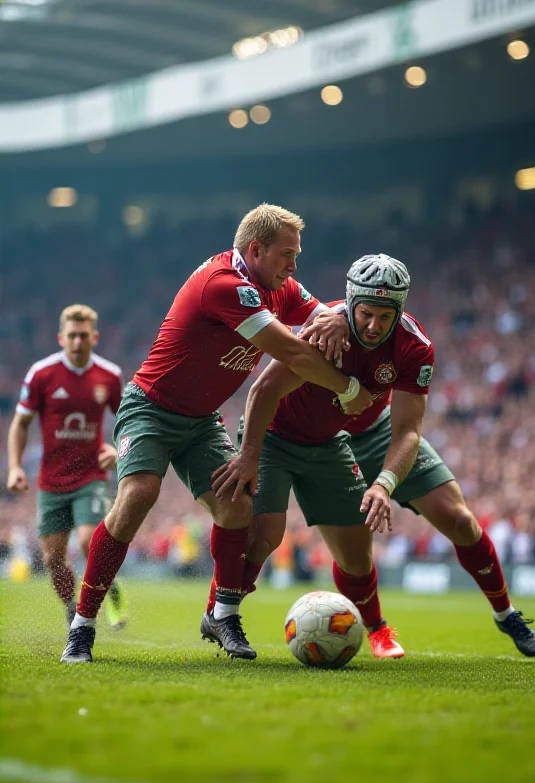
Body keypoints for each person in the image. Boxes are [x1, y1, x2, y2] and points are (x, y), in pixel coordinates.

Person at [60, 203, 373, 664]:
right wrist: (349, 389)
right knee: (139, 495)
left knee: (236, 503)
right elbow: (292, 351)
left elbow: (319, 312)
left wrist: (337, 313)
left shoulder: (277, 285)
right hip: (151, 408)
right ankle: (82, 627)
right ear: (256, 249)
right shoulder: (226, 286)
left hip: (201, 420)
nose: (294, 266)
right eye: (288, 254)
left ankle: (223, 615)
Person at [214, 254, 535, 659]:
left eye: (384, 317)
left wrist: (384, 483)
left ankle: (505, 613)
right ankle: (225, 612)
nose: (373, 326)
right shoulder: (324, 329)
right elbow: (264, 389)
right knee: (272, 538)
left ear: (400, 311)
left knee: (457, 520)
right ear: (351, 303)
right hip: (301, 438)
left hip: (374, 433)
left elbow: (407, 430)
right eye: (366, 314)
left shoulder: (414, 347)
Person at [6, 304, 127, 630]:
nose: (77, 342)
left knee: (90, 541)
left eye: (83, 336)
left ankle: (110, 592)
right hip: (51, 481)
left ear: (95, 337)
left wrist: (118, 449)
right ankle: (71, 607)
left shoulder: (109, 375)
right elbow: (20, 423)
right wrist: (15, 466)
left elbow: (128, 421)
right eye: (71, 336)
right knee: (53, 559)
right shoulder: (41, 374)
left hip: (91, 476)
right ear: (61, 337)